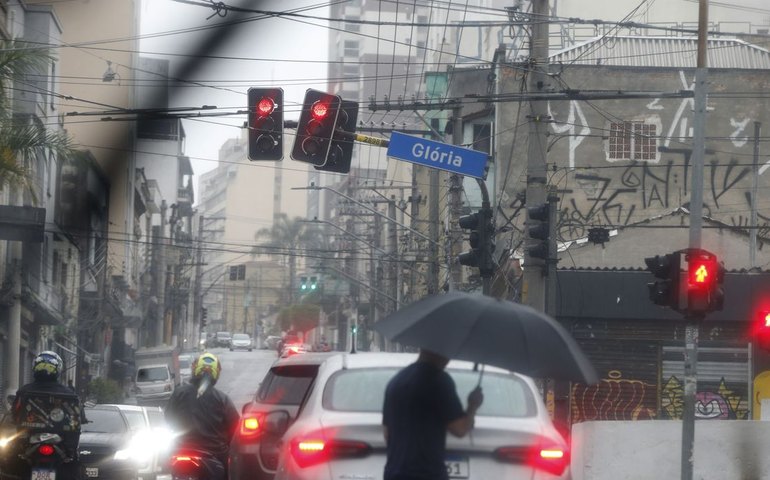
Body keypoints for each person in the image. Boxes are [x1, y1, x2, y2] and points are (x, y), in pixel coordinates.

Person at [382, 349, 484, 480]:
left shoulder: (396, 381)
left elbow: (387, 433)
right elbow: (460, 429)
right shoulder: (439, 381)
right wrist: (473, 406)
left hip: (394, 473)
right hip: (427, 474)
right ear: (440, 352)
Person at [7, 351, 85, 480]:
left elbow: (15, 413)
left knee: (12, 456)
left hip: (29, 443)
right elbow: (77, 418)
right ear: (58, 370)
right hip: (57, 445)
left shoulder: (25, 390)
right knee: (73, 458)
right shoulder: (69, 393)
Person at [165, 352, 240, 480]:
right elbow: (236, 428)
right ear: (216, 373)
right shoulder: (222, 399)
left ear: (195, 369)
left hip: (181, 451)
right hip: (214, 454)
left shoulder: (179, 393)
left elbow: (168, 418)